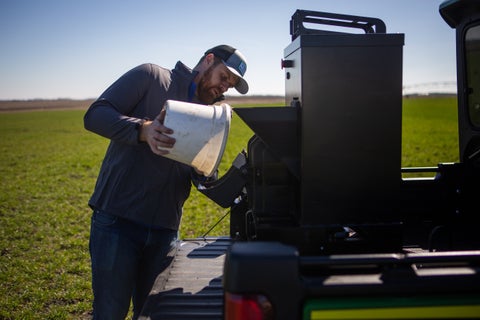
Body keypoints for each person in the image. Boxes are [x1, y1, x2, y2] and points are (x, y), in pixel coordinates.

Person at [83, 44, 249, 320]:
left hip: (164, 231)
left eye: (229, 85)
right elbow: (95, 115)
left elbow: (202, 170)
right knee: (110, 313)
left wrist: (207, 172)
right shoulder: (152, 77)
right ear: (208, 60)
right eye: (224, 77)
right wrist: (142, 130)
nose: (224, 88)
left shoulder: (211, 117)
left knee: (153, 315)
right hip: (117, 223)